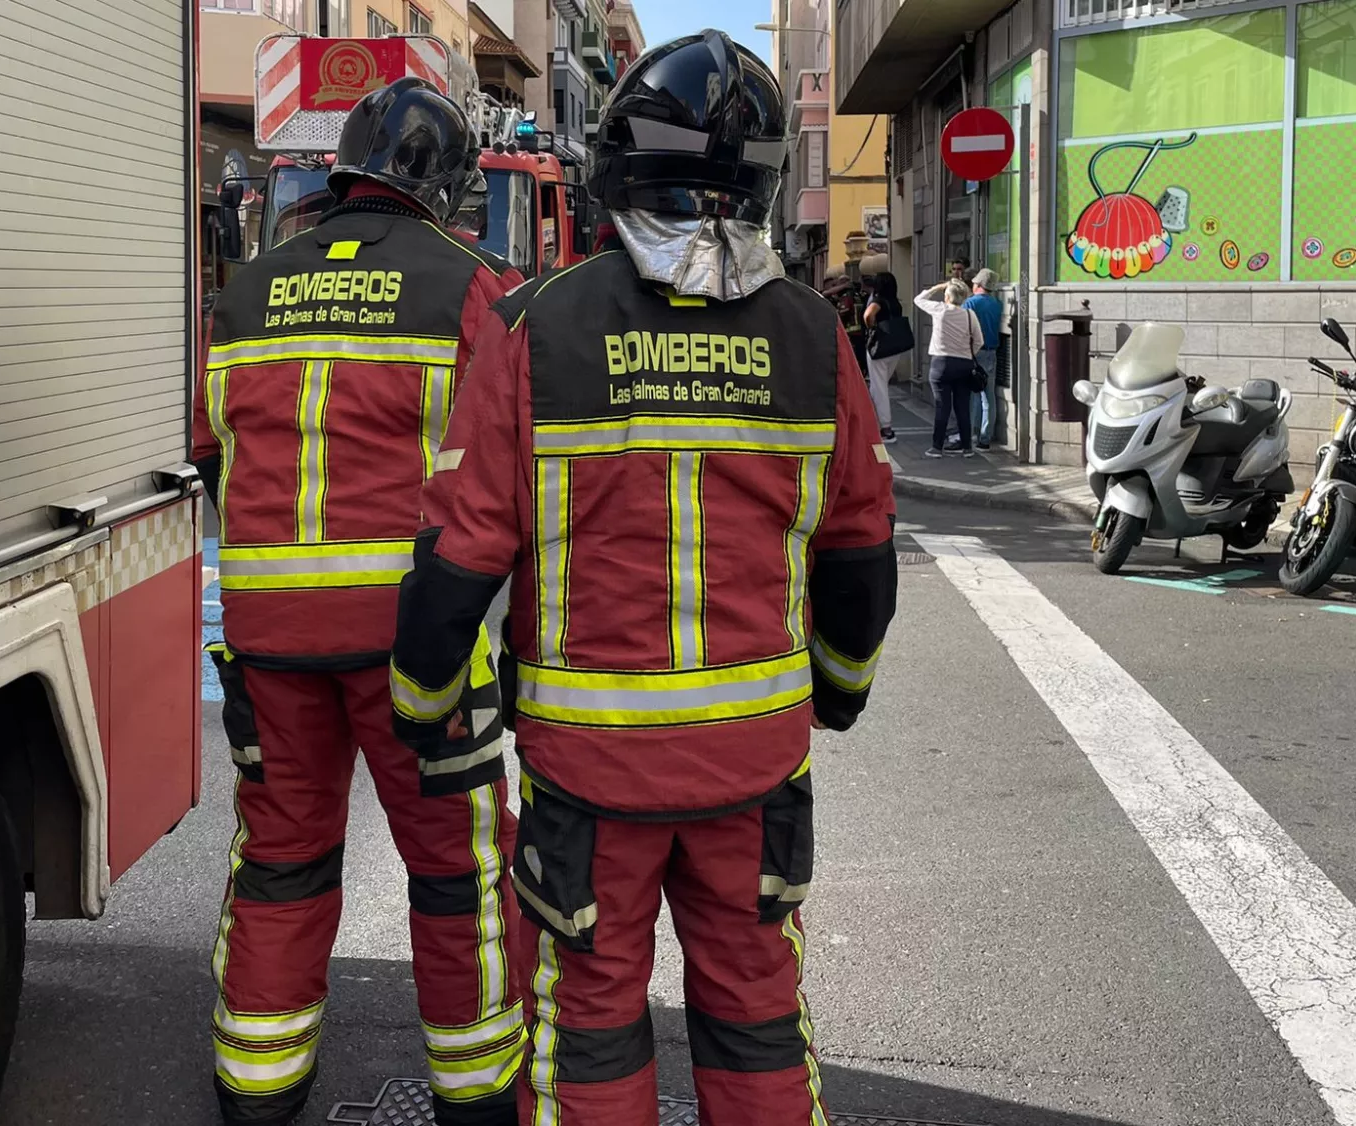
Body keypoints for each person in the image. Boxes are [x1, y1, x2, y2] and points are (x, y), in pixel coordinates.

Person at [389, 30, 898, 1126]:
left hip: (589, 774)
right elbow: (858, 548)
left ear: (614, 164)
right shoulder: (814, 337)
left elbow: (459, 555)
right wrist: (840, 689)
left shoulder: (537, 326)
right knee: (755, 1010)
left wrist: (422, 703)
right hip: (753, 764)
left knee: (589, 1015)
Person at [192, 77, 527, 1126]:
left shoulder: (245, 292)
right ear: (442, 185)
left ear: (341, 169)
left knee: (281, 853)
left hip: (264, 632)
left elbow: (210, 450)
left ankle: (257, 1084)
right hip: (409, 637)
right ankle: (475, 1091)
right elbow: (508, 470)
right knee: (455, 867)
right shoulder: (474, 285)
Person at [914, 278, 986, 459]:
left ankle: (937, 447)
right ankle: (967, 448)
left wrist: (937, 286)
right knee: (962, 407)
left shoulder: (940, 310)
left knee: (942, 407)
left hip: (941, 363)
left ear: (947, 296)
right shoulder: (970, 314)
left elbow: (918, 300)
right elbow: (979, 341)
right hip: (964, 364)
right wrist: (967, 354)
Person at [861, 271, 907, 443]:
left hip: (878, 347)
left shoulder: (878, 301)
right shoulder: (896, 303)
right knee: (878, 385)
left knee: (879, 387)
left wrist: (871, 328)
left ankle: (886, 429)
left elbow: (868, 315)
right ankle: (872, 421)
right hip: (894, 348)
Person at [963, 268, 1004, 448]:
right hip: (992, 351)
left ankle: (972, 433)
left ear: (978, 285)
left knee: (973, 395)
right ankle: (985, 438)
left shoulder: (970, 303)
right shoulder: (997, 303)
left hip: (974, 352)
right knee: (989, 397)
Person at [820, 267, 868, 377]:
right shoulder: (858, 295)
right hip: (859, 333)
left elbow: (842, 313)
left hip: (849, 333)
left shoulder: (846, 297)